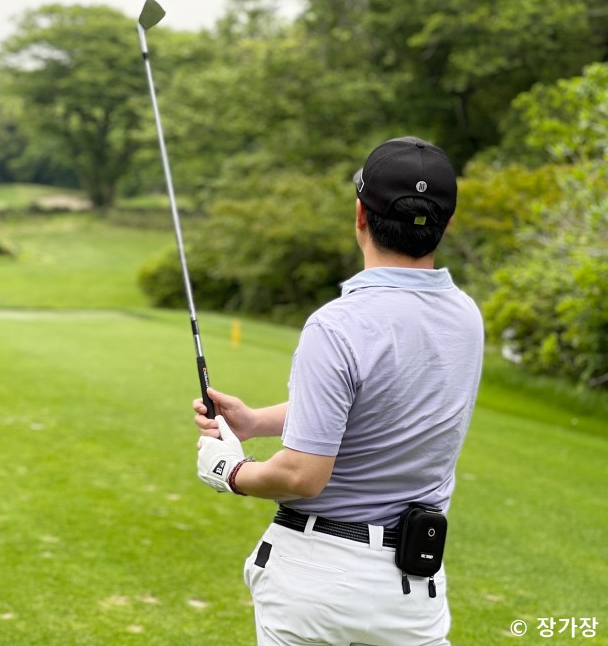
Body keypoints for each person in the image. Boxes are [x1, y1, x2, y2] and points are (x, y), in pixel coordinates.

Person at [195, 136, 484, 645]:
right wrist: (258, 421)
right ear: (448, 223)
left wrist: (230, 471)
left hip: (315, 580)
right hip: (412, 590)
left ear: (360, 215)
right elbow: (378, 406)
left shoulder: (337, 325)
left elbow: (302, 477)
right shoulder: (465, 317)